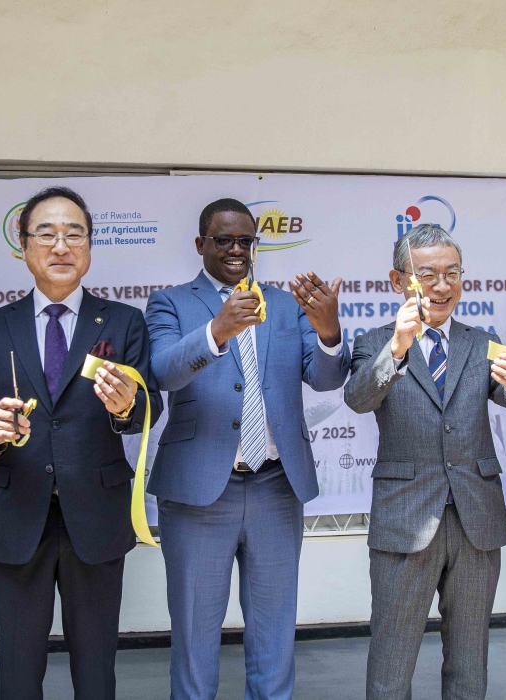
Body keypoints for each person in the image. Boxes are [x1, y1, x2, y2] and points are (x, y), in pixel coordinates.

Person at [143, 198, 350, 700]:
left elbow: (326, 378)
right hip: (198, 495)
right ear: (201, 245)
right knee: (194, 633)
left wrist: (327, 329)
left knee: (274, 631)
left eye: (245, 240)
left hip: (276, 488)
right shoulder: (169, 302)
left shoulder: (283, 304)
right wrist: (218, 330)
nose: (237, 250)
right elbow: (163, 371)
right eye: (224, 240)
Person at [0, 186, 162, 700]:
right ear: (23, 246)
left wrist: (124, 409)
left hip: (95, 514)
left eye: (75, 234)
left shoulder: (122, 322)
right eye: (45, 234)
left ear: (90, 248)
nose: (60, 246)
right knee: (18, 667)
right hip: (18, 511)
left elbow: (148, 405)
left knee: (96, 666)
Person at [343, 223, 506, 700]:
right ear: (398, 281)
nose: (443, 286)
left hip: (475, 518)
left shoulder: (481, 341)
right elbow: (358, 398)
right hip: (405, 520)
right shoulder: (375, 342)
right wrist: (399, 347)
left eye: (453, 273)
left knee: (469, 661)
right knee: (391, 662)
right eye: (427, 274)